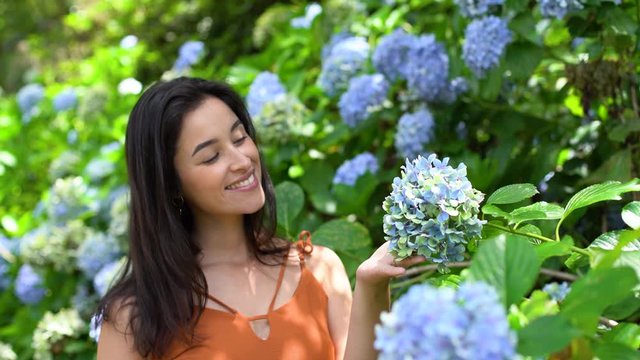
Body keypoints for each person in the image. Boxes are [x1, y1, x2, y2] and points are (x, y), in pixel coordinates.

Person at [96, 77, 423, 359]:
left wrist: (372, 285)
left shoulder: (318, 268)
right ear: (170, 184)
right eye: (212, 156)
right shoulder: (133, 316)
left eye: (239, 138)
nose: (242, 160)